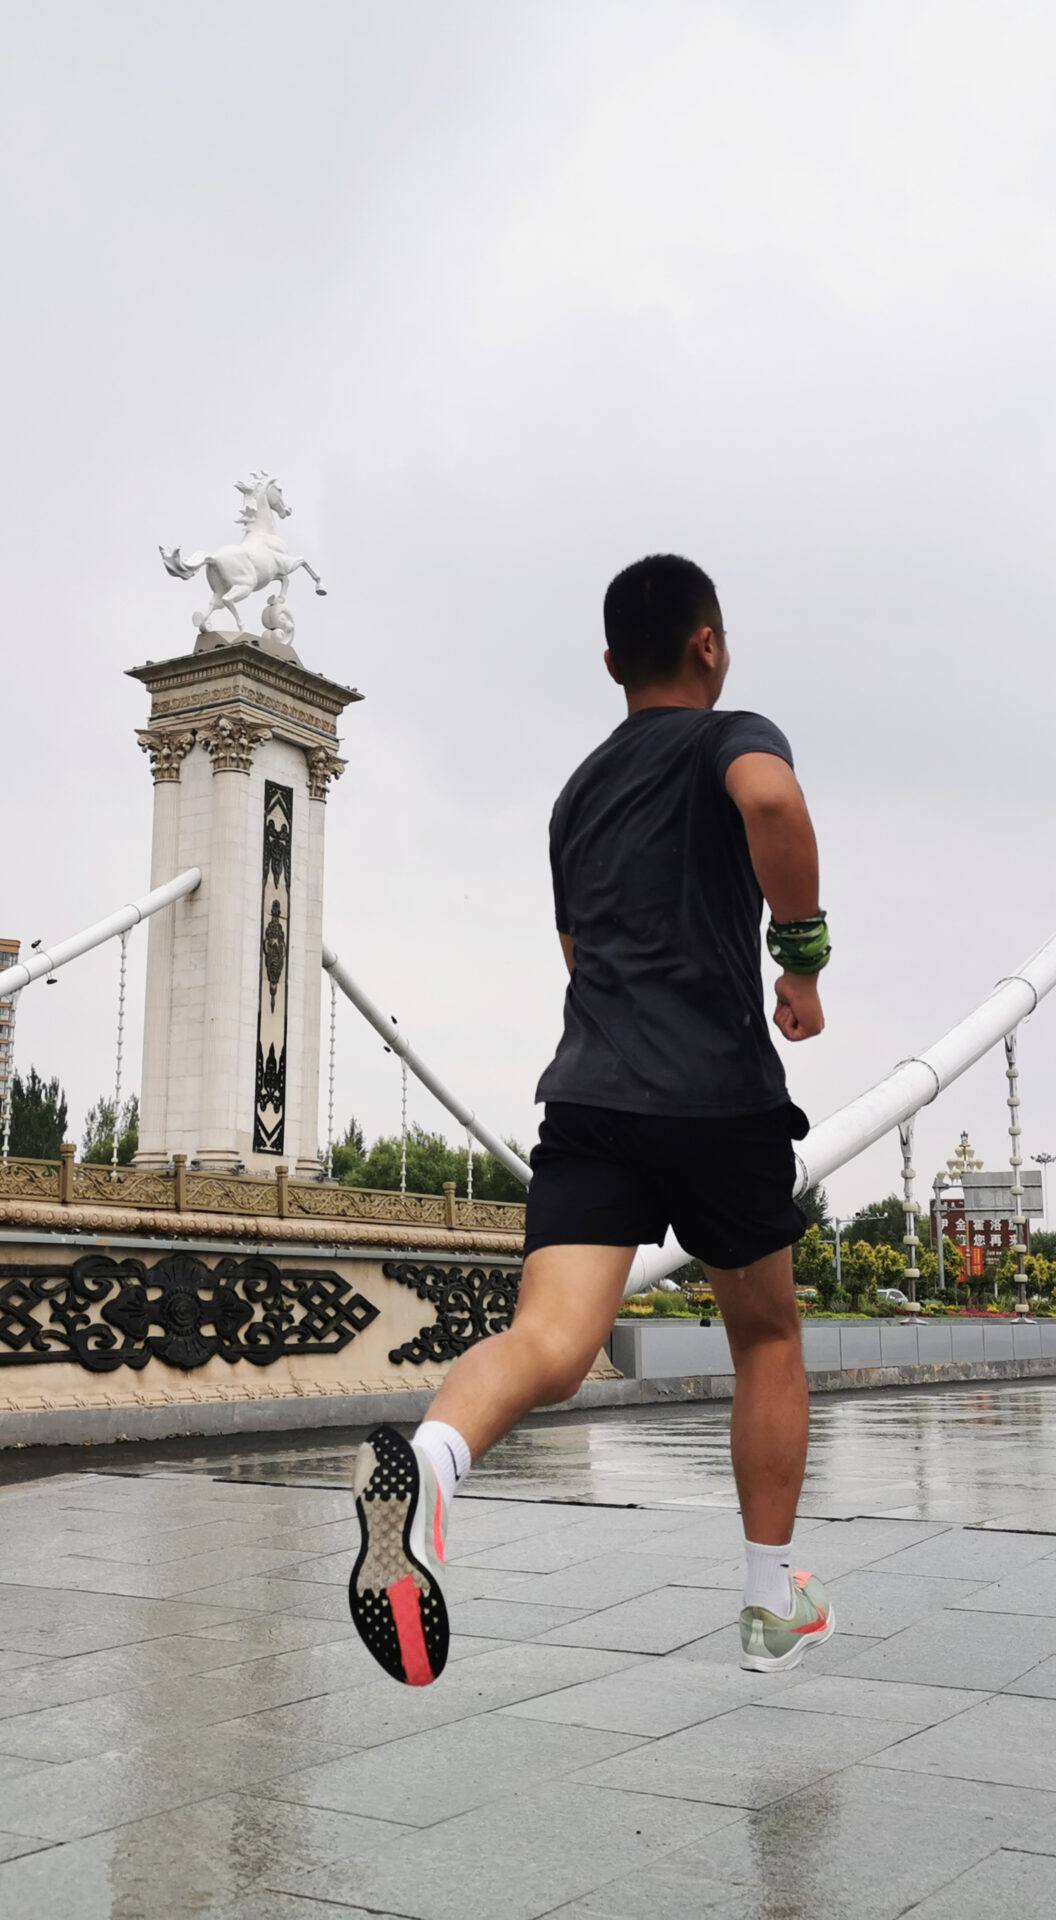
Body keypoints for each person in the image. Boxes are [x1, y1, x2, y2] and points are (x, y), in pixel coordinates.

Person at [346, 553, 836, 1689]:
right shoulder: (732, 734)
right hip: (716, 1098)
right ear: (708, 646)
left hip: (589, 1098)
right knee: (764, 1334)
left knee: (551, 1346)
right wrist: (801, 958)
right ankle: (770, 1601)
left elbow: (577, 954)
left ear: (611, 664)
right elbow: (771, 799)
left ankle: (428, 1465)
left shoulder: (574, 795)